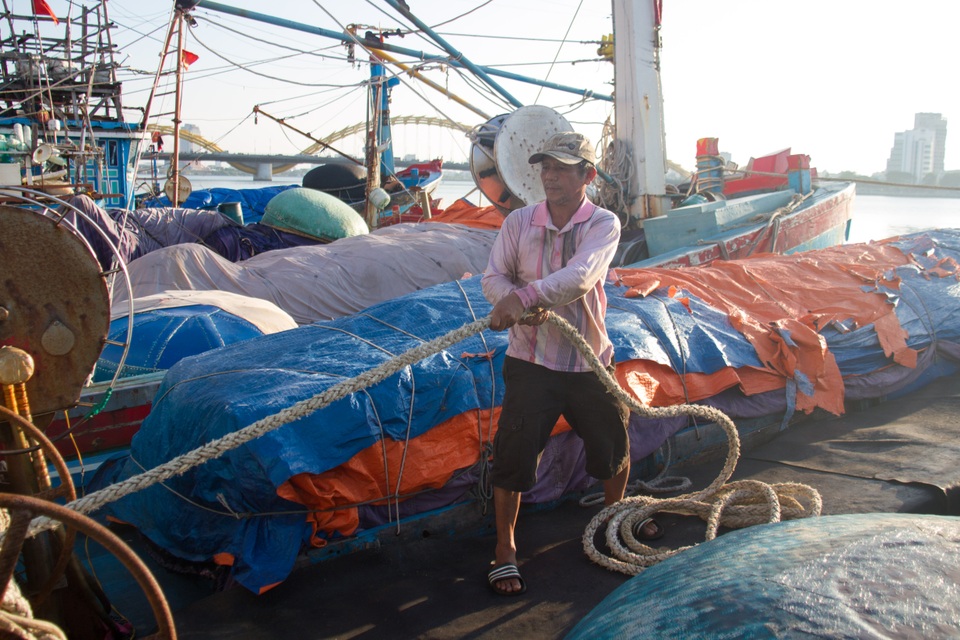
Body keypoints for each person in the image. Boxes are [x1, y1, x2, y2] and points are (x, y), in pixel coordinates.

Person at [481, 131, 661, 596]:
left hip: (587, 359)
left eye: (562, 168)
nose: (550, 176)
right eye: (545, 167)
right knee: (513, 456)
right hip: (530, 360)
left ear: (588, 175)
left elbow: (581, 276)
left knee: (611, 444)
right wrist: (510, 299)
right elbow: (493, 276)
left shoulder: (603, 223)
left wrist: (526, 296)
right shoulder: (518, 221)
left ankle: (612, 517)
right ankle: (505, 547)